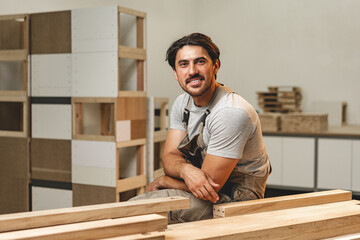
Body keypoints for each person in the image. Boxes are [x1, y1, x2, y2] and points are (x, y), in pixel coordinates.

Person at [130, 33, 271, 223]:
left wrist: (164, 180)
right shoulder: (183, 103)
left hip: (234, 200)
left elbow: (207, 186)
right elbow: (169, 158)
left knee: (139, 213)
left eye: (200, 62)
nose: (192, 71)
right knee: (132, 209)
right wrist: (187, 171)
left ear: (216, 66)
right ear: (175, 73)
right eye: (183, 64)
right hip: (199, 189)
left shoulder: (231, 112)